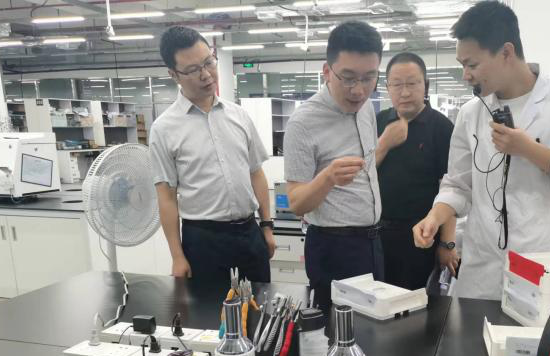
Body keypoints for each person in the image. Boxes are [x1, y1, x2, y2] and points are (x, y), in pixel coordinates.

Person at [412, 0, 550, 300]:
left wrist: (529, 150)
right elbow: (458, 184)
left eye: (472, 65)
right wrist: (435, 216)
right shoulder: (471, 113)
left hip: (544, 259)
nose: (466, 75)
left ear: (506, 52)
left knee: (538, 329)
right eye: (462, 65)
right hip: (483, 264)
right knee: (472, 329)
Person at [150, 26, 275, 282]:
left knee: (260, 304)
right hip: (203, 240)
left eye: (209, 62)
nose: (206, 74)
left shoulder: (239, 115)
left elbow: (256, 173)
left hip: (250, 234)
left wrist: (266, 226)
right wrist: (177, 256)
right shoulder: (164, 129)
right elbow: (167, 198)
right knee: (207, 308)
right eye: (193, 70)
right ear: (174, 74)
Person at [284, 21, 383, 310]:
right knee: (335, 332)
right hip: (333, 247)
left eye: (369, 78)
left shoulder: (366, 108)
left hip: (373, 242)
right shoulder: (303, 123)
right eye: (348, 78)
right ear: (327, 71)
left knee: (375, 328)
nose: (359, 90)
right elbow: (296, 203)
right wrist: (327, 177)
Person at [375, 52, 459, 291]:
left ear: (425, 86)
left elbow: (452, 188)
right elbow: (361, 174)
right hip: (377, 236)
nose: (404, 92)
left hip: (421, 238)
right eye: (397, 84)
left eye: (412, 83)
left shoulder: (442, 128)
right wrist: (384, 144)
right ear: (388, 88)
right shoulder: (377, 122)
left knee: (418, 305)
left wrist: (447, 243)